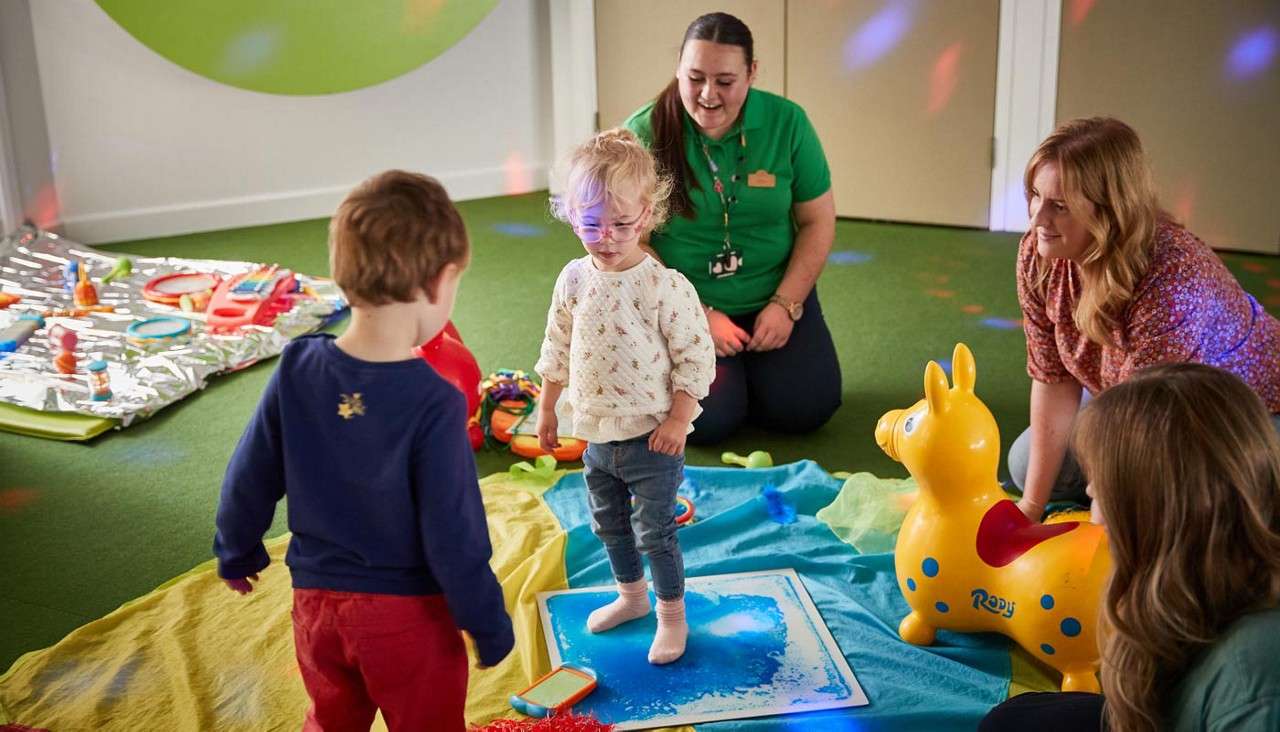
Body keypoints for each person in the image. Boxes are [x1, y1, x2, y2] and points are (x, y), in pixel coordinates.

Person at [212, 170, 513, 731]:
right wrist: (486, 620)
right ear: (437, 283)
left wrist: (236, 549)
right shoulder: (434, 401)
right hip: (408, 620)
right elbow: (455, 532)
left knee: (332, 718)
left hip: (315, 607)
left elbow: (249, 472)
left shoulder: (296, 368)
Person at [981, 363, 1280, 731]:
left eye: (1101, 489)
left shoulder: (1254, 680)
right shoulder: (1201, 579)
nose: (1093, 512)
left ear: (1155, 511)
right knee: (1012, 721)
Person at [1008, 117, 1280, 521]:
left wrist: (1107, 516)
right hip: (1130, 398)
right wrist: (1031, 507)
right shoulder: (1038, 254)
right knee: (1026, 463)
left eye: (1059, 206)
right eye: (1035, 196)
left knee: (1179, 512)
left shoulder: (1171, 275)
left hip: (1237, 416)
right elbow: (1053, 378)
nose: (1037, 219)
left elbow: (1145, 419)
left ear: (1110, 211)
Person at [536, 129, 715, 664]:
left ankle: (671, 615)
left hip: (653, 438)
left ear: (647, 215)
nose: (607, 237)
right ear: (571, 216)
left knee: (655, 532)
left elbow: (695, 357)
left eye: (621, 223)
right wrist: (547, 407)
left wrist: (679, 422)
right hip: (596, 435)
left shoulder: (663, 285)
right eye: (591, 223)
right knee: (608, 524)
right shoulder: (573, 278)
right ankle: (632, 598)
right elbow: (557, 345)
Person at [623, 11, 841, 444]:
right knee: (710, 421)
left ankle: (746, 373)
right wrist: (696, 315)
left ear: (752, 73)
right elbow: (632, 244)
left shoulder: (788, 122)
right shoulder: (644, 131)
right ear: (678, 70)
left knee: (807, 409)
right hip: (685, 302)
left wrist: (786, 304)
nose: (708, 95)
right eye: (695, 78)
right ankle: (730, 378)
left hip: (773, 293)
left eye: (725, 82)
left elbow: (818, 220)